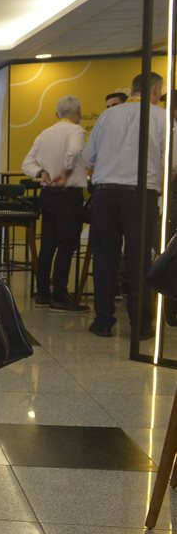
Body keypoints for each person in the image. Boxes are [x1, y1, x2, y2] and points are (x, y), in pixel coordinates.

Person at [83, 72, 167, 339]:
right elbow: (172, 160)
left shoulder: (109, 115)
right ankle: (140, 325)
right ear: (155, 91)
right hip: (140, 195)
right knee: (139, 259)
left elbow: (89, 156)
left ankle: (103, 321)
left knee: (105, 258)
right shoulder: (161, 117)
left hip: (105, 193)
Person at [22, 95, 89, 311]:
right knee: (66, 244)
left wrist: (41, 172)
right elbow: (75, 151)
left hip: (48, 194)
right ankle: (59, 295)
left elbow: (27, 163)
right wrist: (66, 171)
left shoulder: (45, 133)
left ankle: (43, 293)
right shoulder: (76, 131)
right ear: (78, 110)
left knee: (48, 243)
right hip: (68, 194)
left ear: (57, 113)